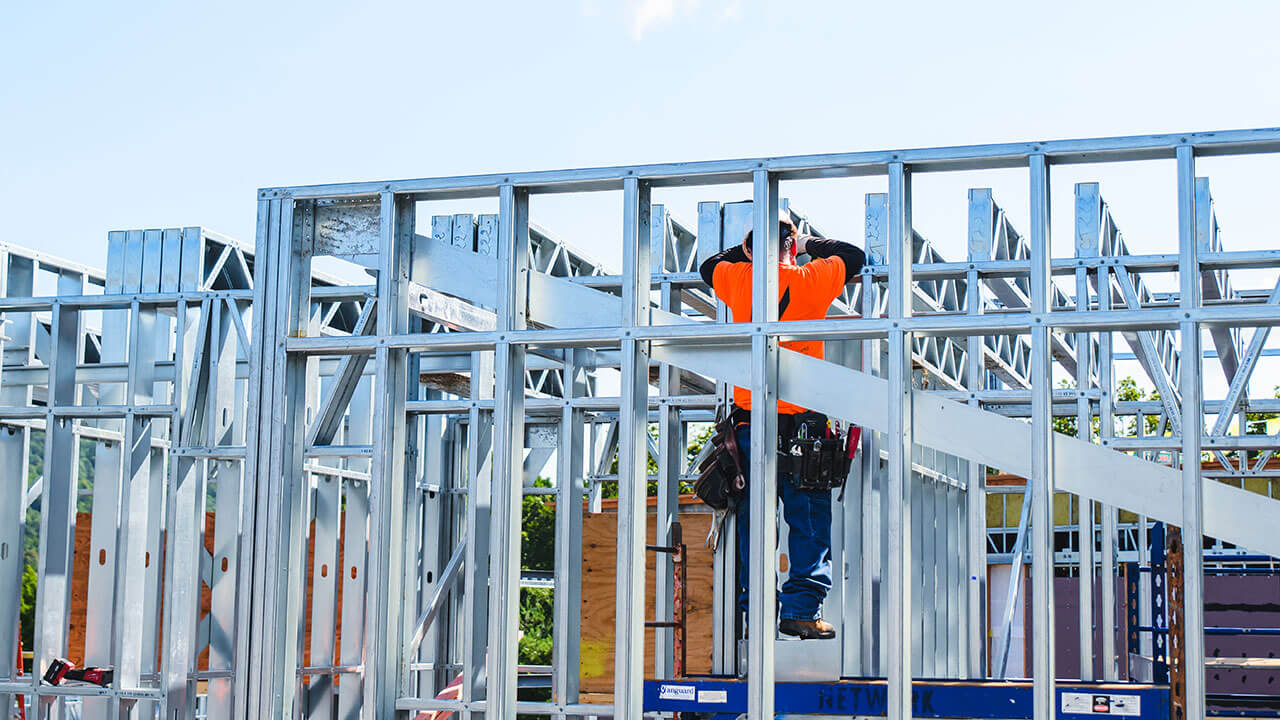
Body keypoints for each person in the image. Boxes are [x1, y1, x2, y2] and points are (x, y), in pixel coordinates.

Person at [698, 213, 865, 640]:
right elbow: (853, 255)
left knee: (755, 522)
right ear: (791, 246)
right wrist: (804, 244)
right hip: (805, 428)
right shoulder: (815, 278)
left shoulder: (739, 280)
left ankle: (755, 613)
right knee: (808, 522)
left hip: (752, 425)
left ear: (752, 249)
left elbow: (708, 264)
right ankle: (801, 612)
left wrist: (751, 251)